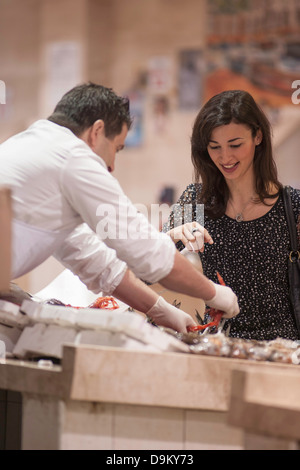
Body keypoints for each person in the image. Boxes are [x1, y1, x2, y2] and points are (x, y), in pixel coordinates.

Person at [0, 83, 239, 333]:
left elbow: (96, 261)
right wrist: (215, 293)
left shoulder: (37, 147)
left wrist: (160, 309)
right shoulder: (73, 158)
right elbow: (150, 256)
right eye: (116, 148)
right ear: (97, 131)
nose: (112, 165)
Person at [164, 89, 300, 340]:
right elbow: (145, 265)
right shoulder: (195, 200)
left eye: (235, 145)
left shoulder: (293, 206)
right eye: (214, 147)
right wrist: (170, 237)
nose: (225, 157)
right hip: (217, 345)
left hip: (283, 351)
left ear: (258, 136)